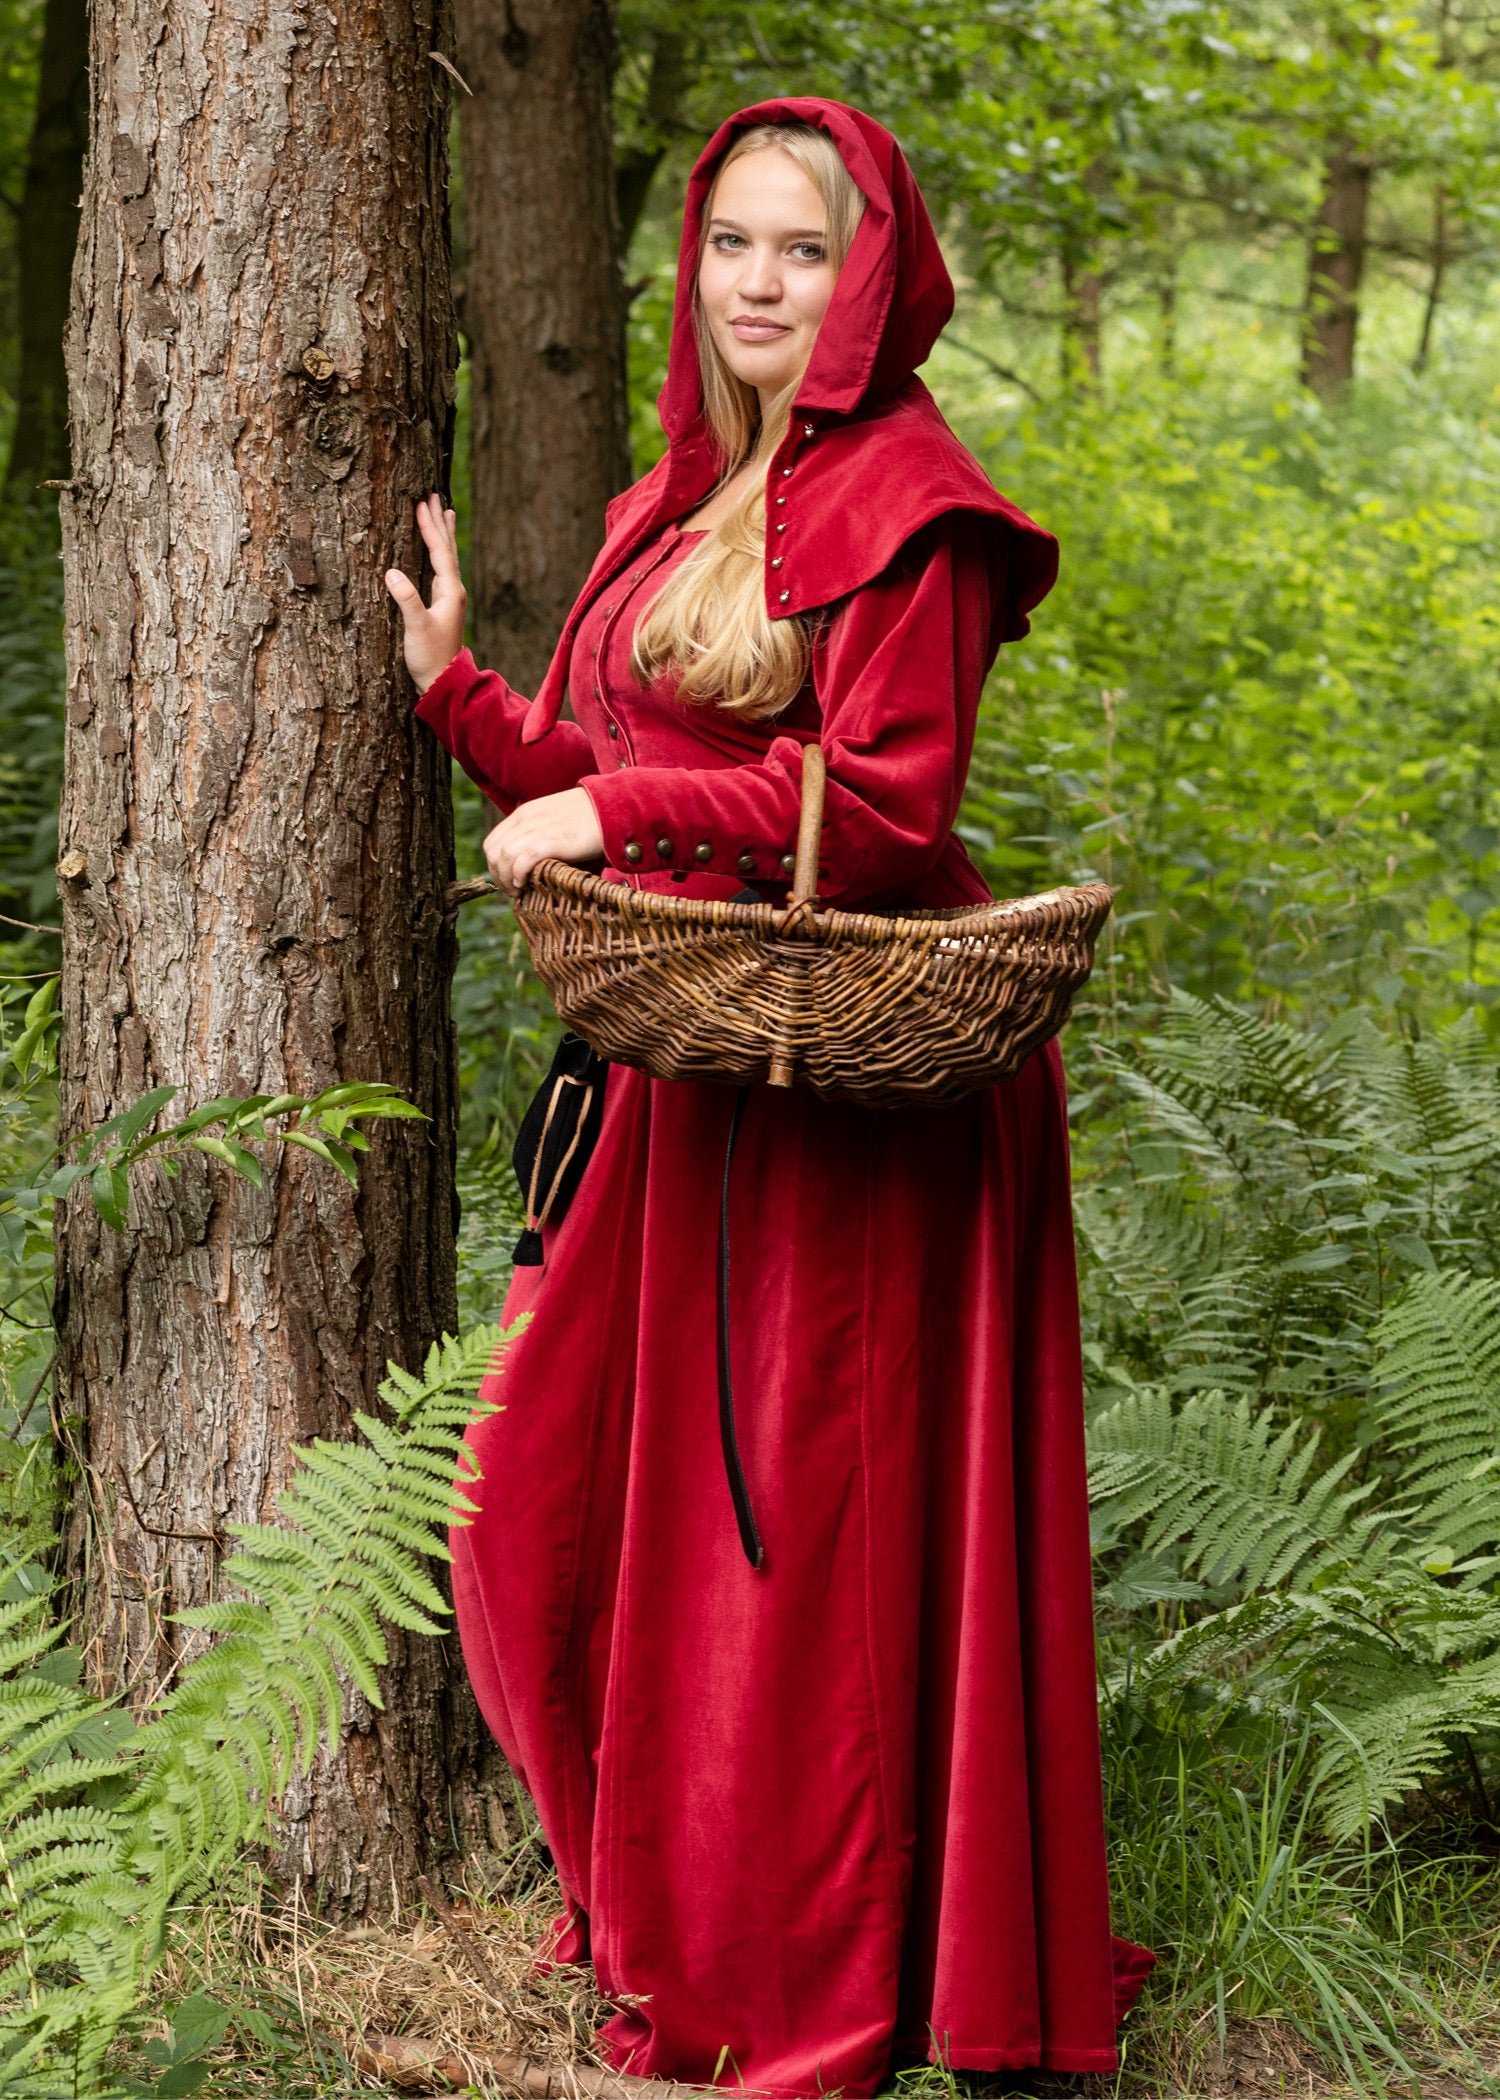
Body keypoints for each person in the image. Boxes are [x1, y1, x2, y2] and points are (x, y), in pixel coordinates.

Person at [386, 95, 1153, 2100]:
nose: (756, 282)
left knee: (789, 1573)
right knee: (537, 1490)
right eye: (731, 241)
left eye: (802, 250)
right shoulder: (695, 491)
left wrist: (608, 799)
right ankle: (666, 1908)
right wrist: (475, 703)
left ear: (875, 274)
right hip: (693, 1074)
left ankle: (789, 1984)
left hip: (849, 1103)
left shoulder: (918, 507)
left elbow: (887, 816)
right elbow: (627, 787)